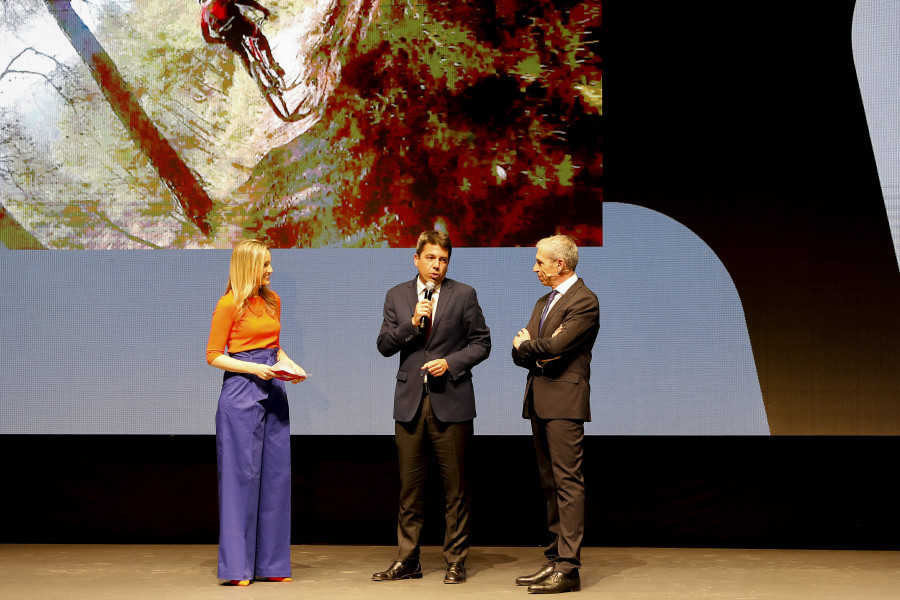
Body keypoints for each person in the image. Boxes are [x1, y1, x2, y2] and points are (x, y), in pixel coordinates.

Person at [374, 230, 491, 585]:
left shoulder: (464, 295)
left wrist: (451, 363)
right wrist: (411, 325)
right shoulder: (397, 296)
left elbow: (481, 343)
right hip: (410, 405)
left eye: (442, 260)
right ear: (416, 258)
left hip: (451, 402)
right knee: (410, 490)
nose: (436, 265)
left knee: (455, 490)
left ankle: (456, 560)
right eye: (430, 258)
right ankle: (408, 560)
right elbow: (383, 345)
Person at [206, 239, 306, 586]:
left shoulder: (272, 300)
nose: (271, 270)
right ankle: (237, 569)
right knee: (241, 480)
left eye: (271, 263)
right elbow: (214, 355)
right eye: (265, 264)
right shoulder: (228, 304)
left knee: (277, 477)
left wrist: (288, 365)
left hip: (273, 389)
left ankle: (272, 564)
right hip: (241, 391)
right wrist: (253, 370)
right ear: (249, 267)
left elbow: (274, 347)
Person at [511, 234, 599, 594]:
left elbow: (557, 346)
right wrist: (532, 349)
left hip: (564, 403)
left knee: (567, 483)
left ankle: (569, 567)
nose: (535, 267)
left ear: (559, 264)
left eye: (540, 261)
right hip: (540, 400)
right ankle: (554, 559)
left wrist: (529, 347)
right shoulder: (544, 302)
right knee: (550, 486)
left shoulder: (584, 301)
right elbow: (519, 353)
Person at [200, 0, 284, 79]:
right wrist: (263, 10)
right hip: (239, 23)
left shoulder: (204, 14)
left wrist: (221, 41)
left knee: (242, 56)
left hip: (226, 36)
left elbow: (207, 38)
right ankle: (271, 62)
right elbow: (245, 1)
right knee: (258, 36)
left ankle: (259, 82)